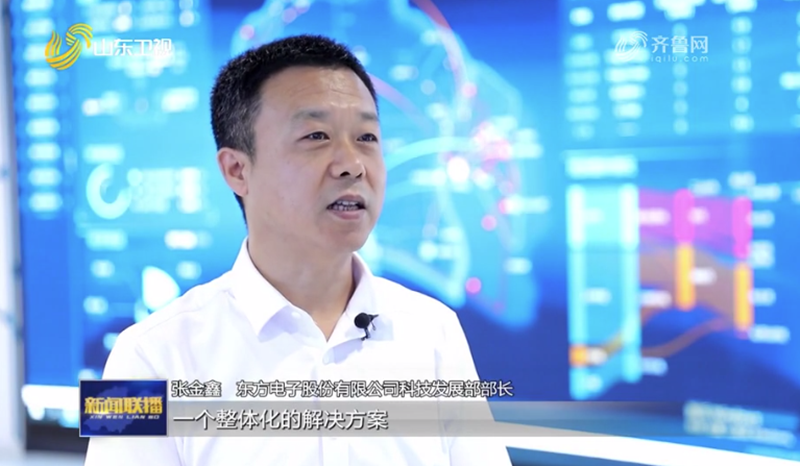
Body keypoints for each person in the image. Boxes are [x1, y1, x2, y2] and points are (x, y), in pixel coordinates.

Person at [84, 34, 512, 466]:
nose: (352, 164)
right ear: (237, 170)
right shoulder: (144, 356)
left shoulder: (434, 331)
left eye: (366, 137)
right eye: (316, 135)